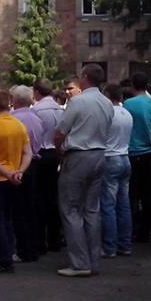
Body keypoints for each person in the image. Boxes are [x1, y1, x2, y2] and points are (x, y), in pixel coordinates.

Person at [55, 64, 113, 276]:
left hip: (78, 154)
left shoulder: (78, 102)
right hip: (99, 154)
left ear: (85, 77)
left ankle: (80, 262)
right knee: (92, 209)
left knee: (70, 208)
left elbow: (60, 132)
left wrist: (60, 152)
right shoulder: (106, 102)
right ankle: (93, 260)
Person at [0, 90, 31, 273]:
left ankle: (4, 259)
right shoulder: (19, 126)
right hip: (14, 178)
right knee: (9, 218)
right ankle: (9, 252)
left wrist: (7, 173)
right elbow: (28, 152)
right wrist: (19, 171)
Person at [124, 72, 151, 242]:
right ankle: (145, 230)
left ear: (132, 85)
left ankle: (133, 228)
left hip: (132, 152)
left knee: (132, 194)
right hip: (148, 151)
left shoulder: (128, 104)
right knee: (147, 194)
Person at [9, 85, 43, 262]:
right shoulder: (36, 117)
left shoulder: (13, 119)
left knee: (18, 210)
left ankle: (23, 249)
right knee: (31, 208)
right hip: (34, 163)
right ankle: (33, 246)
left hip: (18, 165)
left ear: (15, 100)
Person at [101, 82, 134, 258]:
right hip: (124, 156)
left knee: (108, 205)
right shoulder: (126, 113)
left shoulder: (108, 114)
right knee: (123, 204)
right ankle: (125, 244)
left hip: (109, 157)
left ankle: (109, 246)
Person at [32, 79, 64, 253]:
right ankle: (54, 239)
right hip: (56, 154)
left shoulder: (36, 111)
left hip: (41, 154)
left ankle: (39, 240)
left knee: (39, 199)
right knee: (53, 197)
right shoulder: (60, 110)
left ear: (37, 92)